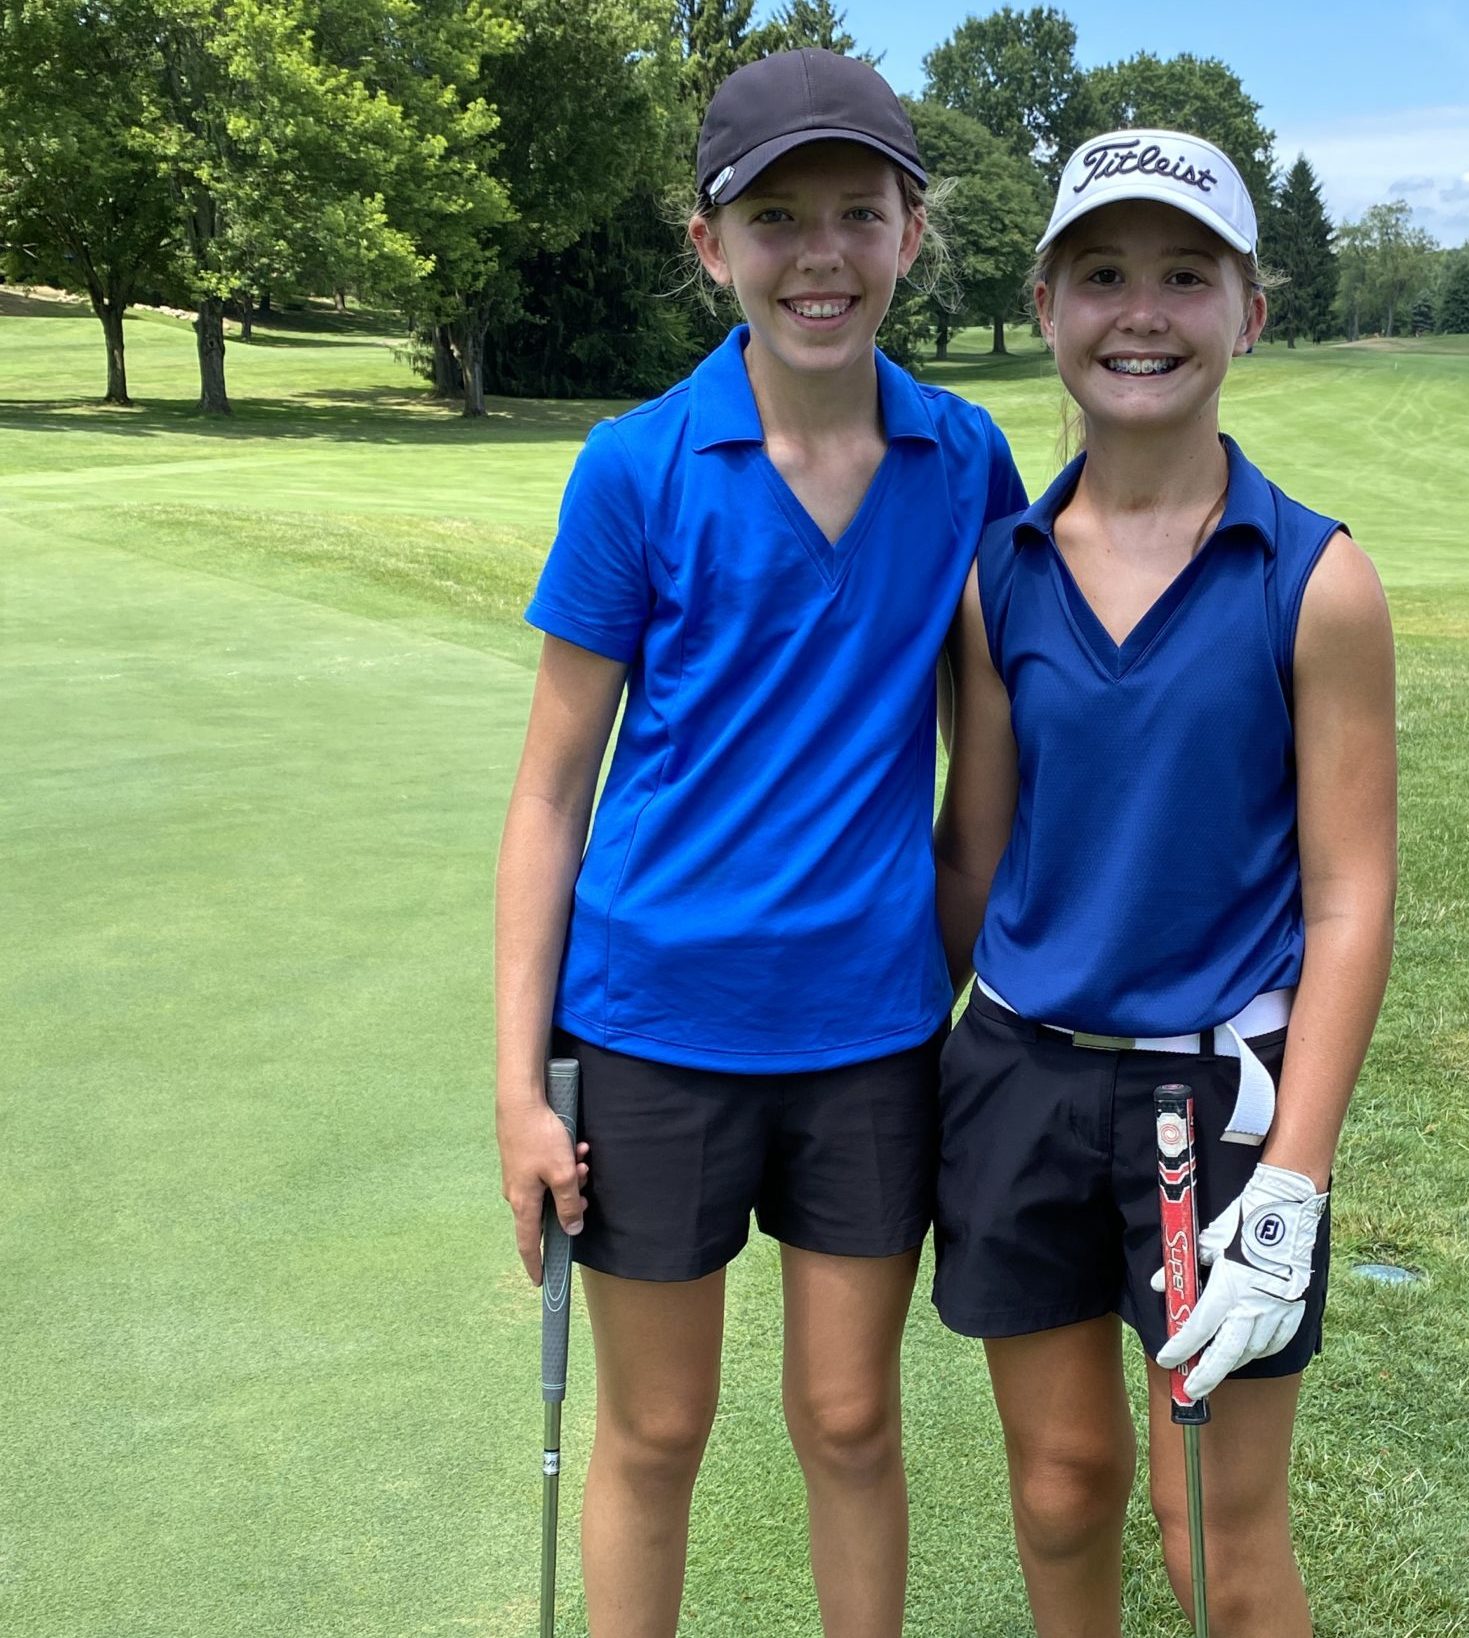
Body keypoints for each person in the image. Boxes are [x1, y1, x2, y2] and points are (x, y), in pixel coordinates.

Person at [493, 49, 1026, 1638]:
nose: (820, 255)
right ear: (709, 242)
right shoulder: (637, 465)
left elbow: (984, 771)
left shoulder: (965, 462)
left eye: (858, 213)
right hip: (650, 1026)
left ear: (912, 232)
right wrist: (517, 1085)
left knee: (851, 1419)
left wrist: (924, 966)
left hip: (868, 1039)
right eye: (776, 217)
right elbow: (550, 793)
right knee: (658, 1427)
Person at [933, 129, 1397, 1637]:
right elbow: (977, 853)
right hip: (1020, 1077)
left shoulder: (1313, 577)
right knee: (1062, 1484)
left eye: (1186, 276)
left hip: (1218, 1106)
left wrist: (1297, 1181)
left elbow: (1350, 902)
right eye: (1103, 275)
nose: (1142, 313)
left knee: (1214, 1524)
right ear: (1047, 306)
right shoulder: (1000, 573)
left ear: (1248, 312)